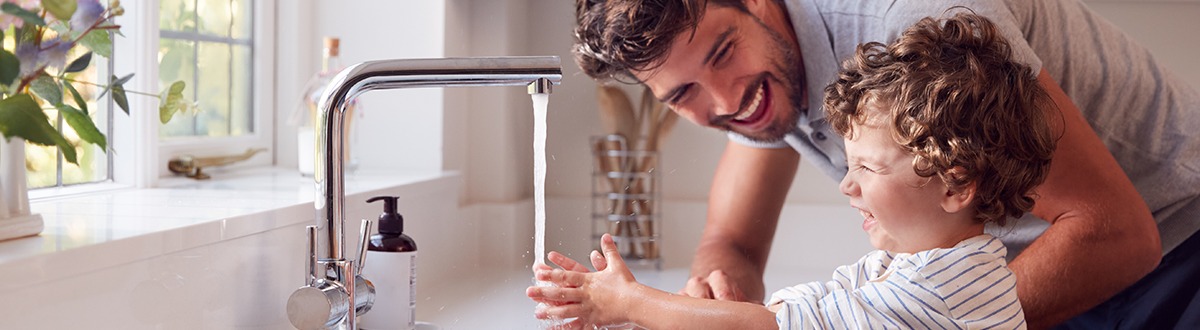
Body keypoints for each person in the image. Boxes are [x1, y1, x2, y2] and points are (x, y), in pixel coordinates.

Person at [569, 0, 1200, 329]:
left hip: (1178, 242)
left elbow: (1117, 232)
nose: (725, 99)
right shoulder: (755, 92)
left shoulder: (921, 27)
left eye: (724, 52)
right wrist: (717, 291)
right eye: (681, 95)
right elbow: (730, 240)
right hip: (1016, 280)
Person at [529, 12, 1052, 328]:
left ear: (957, 183)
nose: (846, 185)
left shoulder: (941, 289)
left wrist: (633, 303)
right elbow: (808, 304)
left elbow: (771, 326)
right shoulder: (924, 266)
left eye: (867, 167)